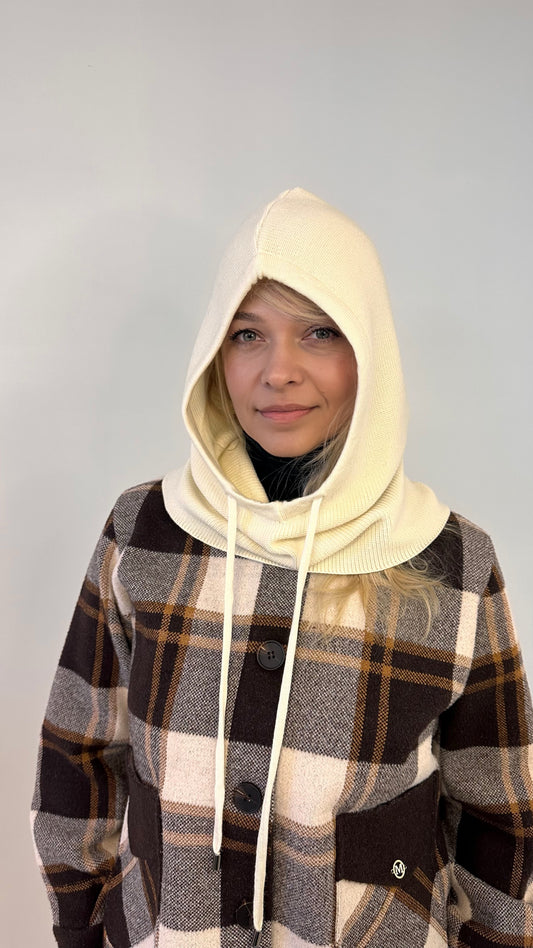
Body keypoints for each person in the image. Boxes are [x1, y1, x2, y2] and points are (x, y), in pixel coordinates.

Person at [31, 187, 533, 948]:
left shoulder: (452, 561)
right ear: (214, 353)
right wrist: (81, 928)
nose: (279, 371)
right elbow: (78, 753)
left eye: (319, 333)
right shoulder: (145, 532)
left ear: (368, 352)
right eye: (247, 335)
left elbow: (501, 815)